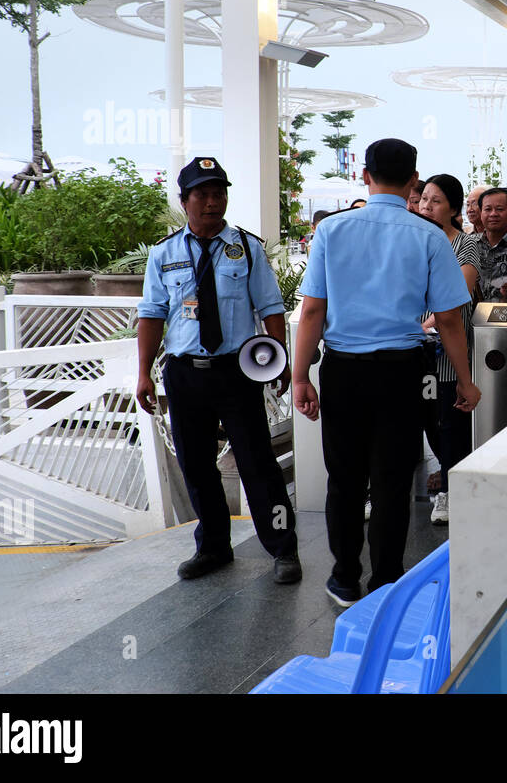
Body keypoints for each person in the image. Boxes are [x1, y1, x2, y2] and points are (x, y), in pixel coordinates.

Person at [292, 139, 481, 605]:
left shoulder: (331, 231)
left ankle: (343, 576)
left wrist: (299, 376)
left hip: (343, 371)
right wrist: (466, 379)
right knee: (394, 477)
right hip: (404, 372)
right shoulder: (432, 236)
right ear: (413, 180)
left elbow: (313, 310)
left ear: (365, 176)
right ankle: (386, 579)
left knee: (346, 476)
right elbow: (452, 318)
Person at [135, 157, 300, 584]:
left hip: (236, 372)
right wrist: (144, 373)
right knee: (196, 464)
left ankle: (283, 549)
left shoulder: (245, 247)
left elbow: (270, 307)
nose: (212, 202)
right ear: (185, 200)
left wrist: (278, 355)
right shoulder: (163, 254)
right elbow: (152, 316)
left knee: (258, 463)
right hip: (185, 372)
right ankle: (212, 547)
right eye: (202, 194)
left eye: (219, 193)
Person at [417, 174, 481, 526]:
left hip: (449, 347)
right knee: (427, 421)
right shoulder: (414, 241)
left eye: (436, 200)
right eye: (424, 199)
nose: (427, 206)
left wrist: (426, 323)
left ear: (454, 209)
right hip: (415, 348)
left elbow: (460, 291)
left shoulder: (466, 245)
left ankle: (449, 494)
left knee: (450, 423)